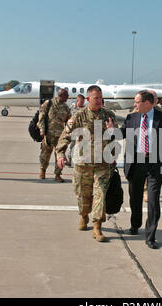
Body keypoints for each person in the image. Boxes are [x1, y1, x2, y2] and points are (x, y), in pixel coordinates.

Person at [113, 90, 162, 249]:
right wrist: (111, 130)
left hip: (156, 164)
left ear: (147, 103)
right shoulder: (132, 117)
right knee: (134, 197)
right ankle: (135, 225)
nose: (134, 105)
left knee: (153, 200)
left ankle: (150, 236)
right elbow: (121, 133)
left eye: (137, 102)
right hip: (136, 163)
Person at [55, 85, 117, 242]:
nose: (99, 101)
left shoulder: (109, 115)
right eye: (96, 98)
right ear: (88, 99)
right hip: (82, 164)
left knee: (100, 194)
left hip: (103, 164)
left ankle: (97, 226)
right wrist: (60, 154)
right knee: (83, 195)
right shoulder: (78, 116)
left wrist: (112, 131)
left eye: (101, 98)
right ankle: (83, 215)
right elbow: (65, 135)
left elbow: (115, 139)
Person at [37, 89, 70, 182]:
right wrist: (42, 130)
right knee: (45, 154)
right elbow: (41, 117)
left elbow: (69, 121)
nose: (67, 99)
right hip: (48, 134)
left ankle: (58, 174)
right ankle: (42, 171)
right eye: (66, 97)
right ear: (61, 96)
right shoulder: (49, 103)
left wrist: (68, 132)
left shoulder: (66, 108)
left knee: (60, 155)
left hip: (60, 136)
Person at [67, 94, 86, 165]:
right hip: (73, 130)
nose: (82, 103)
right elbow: (67, 117)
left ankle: (81, 160)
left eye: (83, 102)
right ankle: (70, 159)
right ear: (77, 100)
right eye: (81, 102)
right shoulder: (72, 108)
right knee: (72, 145)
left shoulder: (85, 109)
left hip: (82, 131)